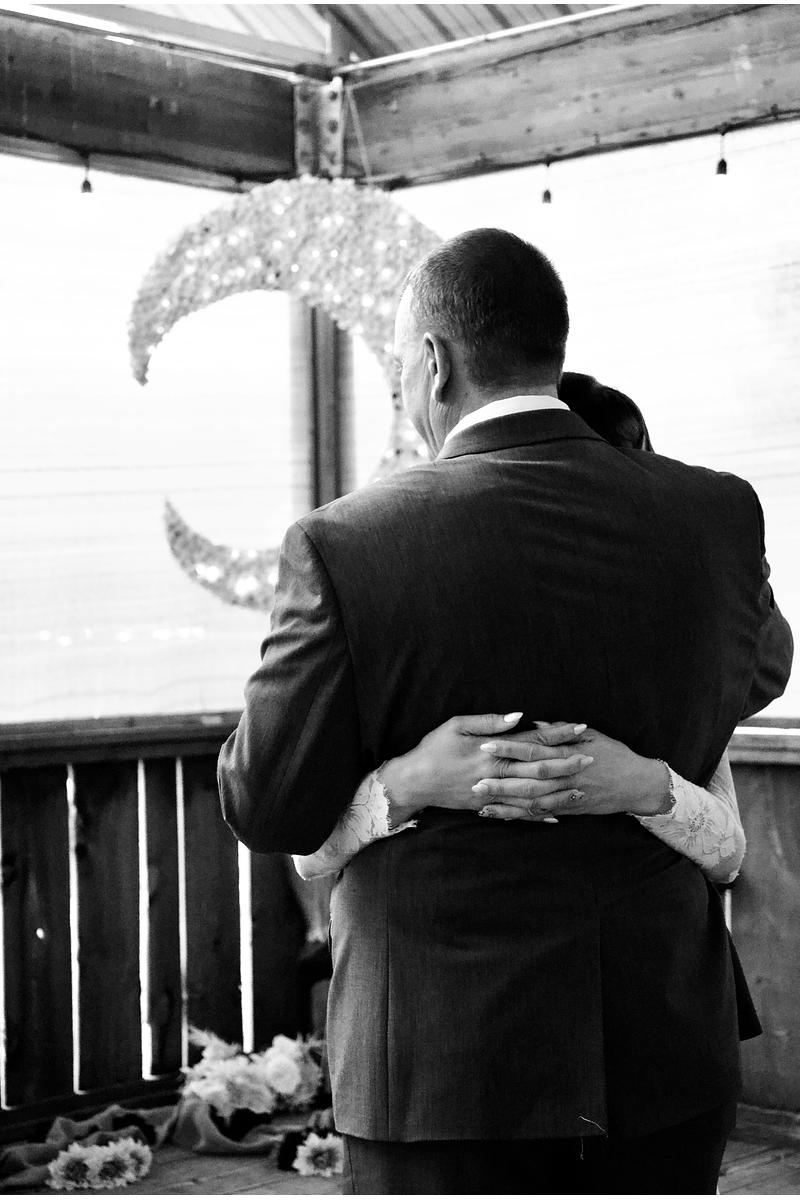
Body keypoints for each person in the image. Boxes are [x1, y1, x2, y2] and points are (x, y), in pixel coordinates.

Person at [218, 229, 793, 1194]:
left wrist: (402, 779)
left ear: (433, 363)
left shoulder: (346, 545)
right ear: (550, 348)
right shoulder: (719, 514)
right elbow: (762, 672)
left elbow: (265, 803)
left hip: (441, 1070)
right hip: (662, 1049)